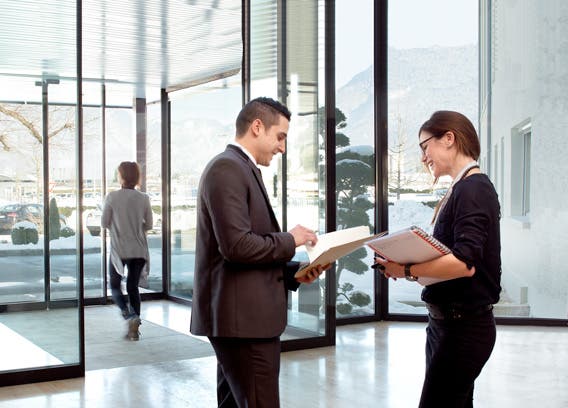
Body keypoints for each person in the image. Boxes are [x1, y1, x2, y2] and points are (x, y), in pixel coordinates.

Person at [190, 97, 329, 408]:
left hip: (243, 320)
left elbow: (247, 247)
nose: (282, 148)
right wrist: (290, 239)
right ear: (257, 127)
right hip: (243, 324)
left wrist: (295, 272)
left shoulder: (239, 169)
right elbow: (237, 246)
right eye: (280, 137)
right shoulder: (227, 169)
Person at [374, 110, 501, 407]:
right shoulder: (462, 187)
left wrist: (405, 268)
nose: (423, 157)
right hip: (446, 326)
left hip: (463, 330)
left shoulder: (474, 189)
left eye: (424, 146)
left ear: (449, 139)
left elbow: (463, 264)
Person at [101, 161, 153, 341]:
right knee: (132, 287)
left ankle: (128, 316)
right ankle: (135, 325)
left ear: (121, 176)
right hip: (138, 248)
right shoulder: (144, 198)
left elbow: (104, 222)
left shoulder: (112, 197)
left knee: (115, 285)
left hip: (119, 248)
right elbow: (150, 224)